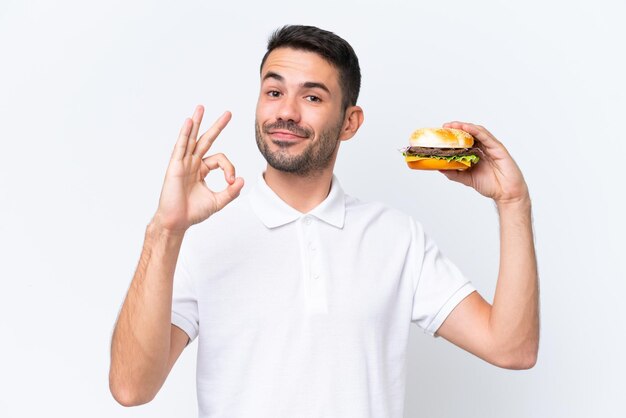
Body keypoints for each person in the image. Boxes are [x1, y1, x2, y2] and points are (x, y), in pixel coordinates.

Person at [109, 25, 539, 417]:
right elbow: (131, 389)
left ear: (350, 122)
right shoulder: (199, 237)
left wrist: (513, 201)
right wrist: (164, 231)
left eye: (312, 97)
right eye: (273, 92)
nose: (287, 113)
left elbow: (512, 348)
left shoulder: (396, 238)